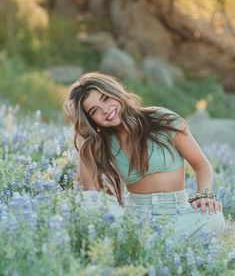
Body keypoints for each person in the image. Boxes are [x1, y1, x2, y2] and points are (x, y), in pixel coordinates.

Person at [63, 71, 225, 242]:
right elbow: (90, 191)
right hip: (137, 218)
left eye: (105, 98)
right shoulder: (101, 142)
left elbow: (200, 164)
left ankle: (143, 247)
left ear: (115, 92)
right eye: (94, 111)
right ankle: (156, 246)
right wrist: (81, 130)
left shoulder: (160, 119)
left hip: (178, 214)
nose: (105, 110)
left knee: (213, 218)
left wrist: (204, 194)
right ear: (91, 119)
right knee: (86, 201)